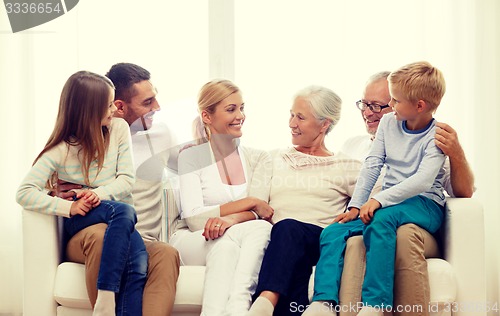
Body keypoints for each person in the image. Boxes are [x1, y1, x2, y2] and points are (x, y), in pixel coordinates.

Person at [304, 70, 475, 316]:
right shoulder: (388, 123)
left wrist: (378, 200)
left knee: (382, 218)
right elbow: (372, 164)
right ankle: (323, 303)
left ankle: (376, 304)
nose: (389, 107)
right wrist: (356, 205)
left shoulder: (437, 136)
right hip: (388, 207)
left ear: (419, 105)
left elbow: (423, 181)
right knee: (334, 231)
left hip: (424, 204)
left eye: (392, 101)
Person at [16, 70, 147, 316]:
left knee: (137, 263)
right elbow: (24, 192)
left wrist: (96, 193)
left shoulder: (118, 129)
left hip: (112, 214)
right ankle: (105, 297)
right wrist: (69, 207)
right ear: (88, 110)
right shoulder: (61, 149)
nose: (114, 110)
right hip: (83, 217)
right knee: (125, 210)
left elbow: (127, 180)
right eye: (108, 105)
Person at [55, 63, 181, 315]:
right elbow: (49, 175)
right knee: (102, 236)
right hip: (91, 235)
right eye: (148, 102)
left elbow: (193, 172)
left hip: (139, 239)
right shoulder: (82, 138)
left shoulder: (161, 134)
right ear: (119, 106)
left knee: (166, 253)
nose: (157, 107)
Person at [247, 85, 362, 316]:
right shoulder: (272, 158)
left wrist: (354, 211)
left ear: (324, 124)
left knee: (289, 228)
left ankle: (264, 300)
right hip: (277, 241)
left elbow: (377, 196)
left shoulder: (347, 166)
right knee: (292, 259)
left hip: (317, 239)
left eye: (300, 117)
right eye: (291, 114)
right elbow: (255, 203)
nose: (291, 123)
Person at [168, 79, 274, 316]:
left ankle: (228, 310)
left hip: (232, 236)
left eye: (242, 108)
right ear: (207, 116)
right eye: (231, 109)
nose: (240, 115)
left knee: (232, 244)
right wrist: (249, 202)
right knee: (256, 230)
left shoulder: (259, 158)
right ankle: (239, 308)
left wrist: (231, 219)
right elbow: (195, 220)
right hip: (192, 240)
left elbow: (262, 212)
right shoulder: (191, 157)